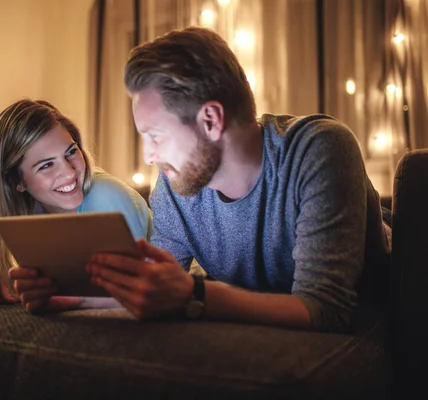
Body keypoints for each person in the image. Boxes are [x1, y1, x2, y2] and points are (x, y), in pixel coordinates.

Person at [78, 26, 391, 333]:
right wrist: (64, 296)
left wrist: (196, 294)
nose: (148, 156)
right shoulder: (175, 187)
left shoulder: (318, 148)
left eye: (155, 136)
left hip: (377, 308)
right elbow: (150, 288)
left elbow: (327, 309)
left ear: (211, 120)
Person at [0, 99, 151, 312]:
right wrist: (0, 272)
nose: (69, 172)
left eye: (71, 152)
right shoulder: (30, 214)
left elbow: (127, 292)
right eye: (46, 165)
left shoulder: (106, 195)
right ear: (17, 182)